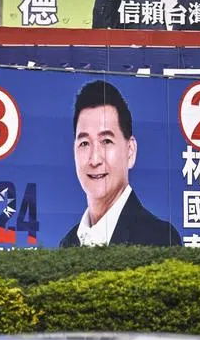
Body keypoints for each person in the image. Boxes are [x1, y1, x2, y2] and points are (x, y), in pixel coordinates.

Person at [60, 80, 181, 248]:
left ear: (130, 151)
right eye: (85, 143)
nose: (95, 159)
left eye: (106, 141)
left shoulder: (159, 239)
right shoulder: (69, 243)